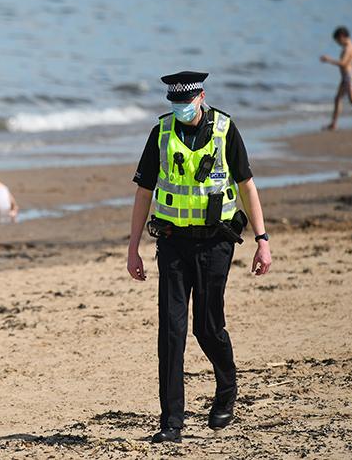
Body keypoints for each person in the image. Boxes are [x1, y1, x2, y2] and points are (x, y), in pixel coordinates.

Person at [126, 71, 272, 444]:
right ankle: (171, 423)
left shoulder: (225, 129)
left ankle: (226, 387)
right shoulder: (160, 132)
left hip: (215, 244)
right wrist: (133, 248)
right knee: (171, 334)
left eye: (185, 103)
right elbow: (144, 192)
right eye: (173, 103)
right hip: (172, 244)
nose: (179, 109)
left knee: (207, 327)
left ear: (201, 97)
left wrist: (262, 239)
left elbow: (246, 186)